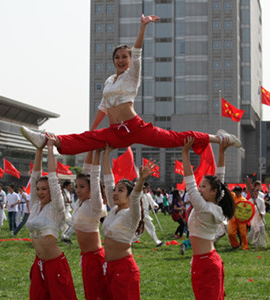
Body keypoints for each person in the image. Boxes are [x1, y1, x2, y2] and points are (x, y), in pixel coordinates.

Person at [20, 14, 241, 157]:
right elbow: (103, 107)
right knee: (86, 139)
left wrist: (142, 27)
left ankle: (220, 137)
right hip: (116, 131)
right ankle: (46, 139)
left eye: (124, 57)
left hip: (136, 127)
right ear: (113, 60)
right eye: (118, 57)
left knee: (177, 138)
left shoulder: (132, 74)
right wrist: (93, 128)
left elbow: (137, 53)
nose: (121, 60)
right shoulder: (109, 81)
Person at [182, 137, 235, 300]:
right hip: (204, 260)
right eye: (200, 185)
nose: (199, 188)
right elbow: (220, 180)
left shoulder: (205, 208)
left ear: (213, 192)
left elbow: (189, 184)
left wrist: (185, 152)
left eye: (203, 186)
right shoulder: (213, 204)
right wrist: (221, 153)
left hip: (206, 263)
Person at [27, 133, 77, 300]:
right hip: (39, 263)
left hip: (55, 265)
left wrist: (49, 148)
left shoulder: (56, 207)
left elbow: (53, 178)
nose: (40, 192)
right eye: (38, 189)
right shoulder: (35, 205)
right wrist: (38, 149)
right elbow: (35, 175)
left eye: (44, 189)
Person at [102, 145, 156, 300]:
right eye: (115, 190)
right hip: (109, 268)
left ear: (129, 195)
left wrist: (141, 179)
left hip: (124, 269)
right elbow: (108, 179)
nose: (115, 193)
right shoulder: (114, 209)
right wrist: (105, 155)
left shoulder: (132, 213)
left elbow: (135, 196)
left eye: (120, 190)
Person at [71, 150, 108, 300]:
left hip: (95, 257)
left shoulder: (95, 205)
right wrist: (91, 147)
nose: (78, 190)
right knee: (90, 295)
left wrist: (97, 153)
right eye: (76, 186)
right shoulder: (79, 203)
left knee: (98, 295)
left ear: (92, 188)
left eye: (82, 187)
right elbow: (86, 170)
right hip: (86, 257)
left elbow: (93, 175)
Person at [133, 182, 163, 247]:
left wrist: (155, 205)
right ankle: (157, 242)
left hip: (145, 214)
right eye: (147, 188)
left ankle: (129, 241)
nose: (148, 189)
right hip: (142, 214)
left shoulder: (148, 195)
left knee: (141, 230)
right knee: (151, 227)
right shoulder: (139, 195)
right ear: (143, 188)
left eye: (149, 188)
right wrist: (141, 189)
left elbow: (151, 201)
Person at [227, 186, 249, 250]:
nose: (235, 193)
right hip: (233, 218)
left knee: (243, 234)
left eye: (236, 191)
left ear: (240, 192)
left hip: (241, 218)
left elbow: (247, 210)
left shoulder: (243, 200)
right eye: (235, 191)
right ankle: (235, 245)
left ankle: (245, 247)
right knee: (230, 233)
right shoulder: (233, 197)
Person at [247, 181, 266, 249]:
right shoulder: (250, 201)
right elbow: (248, 210)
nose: (255, 193)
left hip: (259, 217)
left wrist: (262, 213)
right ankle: (254, 243)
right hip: (253, 218)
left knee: (260, 230)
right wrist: (253, 205)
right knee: (256, 230)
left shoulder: (261, 200)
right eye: (254, 192)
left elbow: (263, 209)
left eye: (257, 192)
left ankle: (258, 243)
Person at [61, 180, 75, 244]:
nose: (71, 187)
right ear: (65, 186)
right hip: (64, 212)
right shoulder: (62, 193)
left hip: (67, 212)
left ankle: (64, 237)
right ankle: (66, 237)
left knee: (66, 226)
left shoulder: (67, 192)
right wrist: (67, 202)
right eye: (69, 185)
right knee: (74, 225)